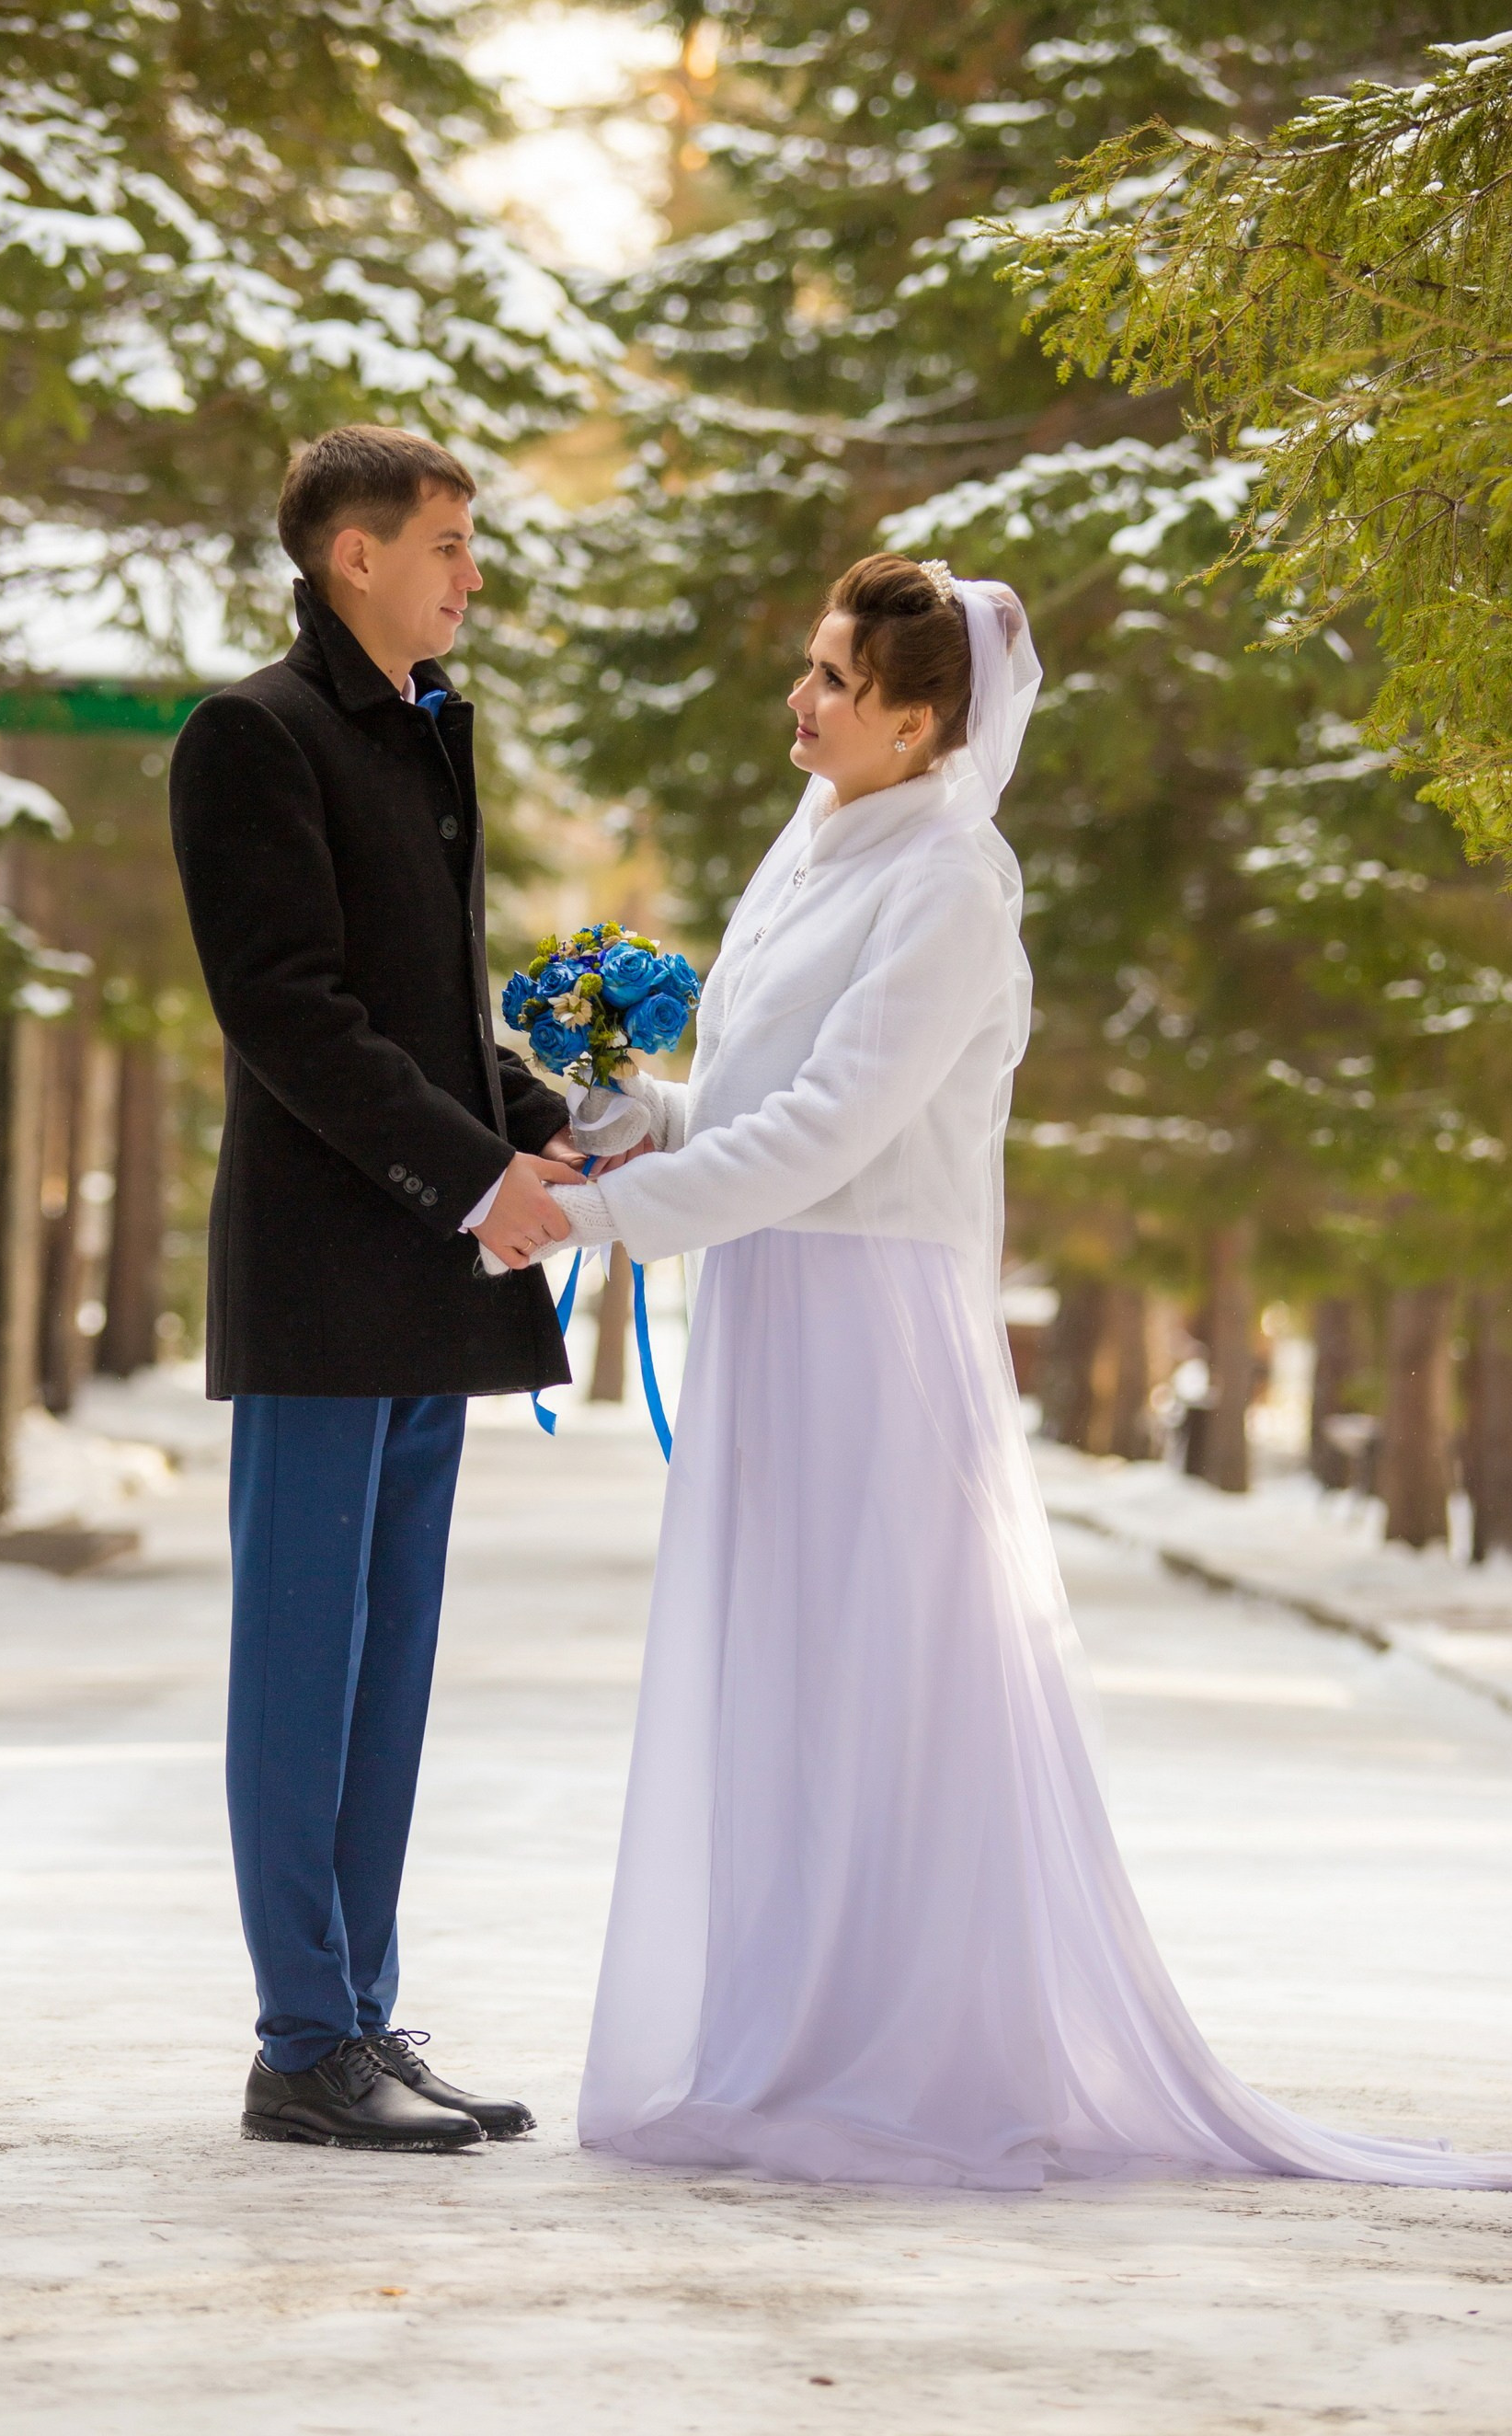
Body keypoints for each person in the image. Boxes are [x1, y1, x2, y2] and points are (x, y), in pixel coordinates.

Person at [534, 552, 1512, 2191]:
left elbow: (845, 1131)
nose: (807, 696)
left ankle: (911, 2047)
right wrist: (633, 1125)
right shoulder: (822, 847)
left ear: (922, 724)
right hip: (781, 1301)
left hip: (869, 1324)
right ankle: (785, 2021)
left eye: (839, 682)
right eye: (816, 666)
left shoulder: (950, 882)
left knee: (883, 1666)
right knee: (786, 1662)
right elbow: (761, 1103)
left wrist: (622, 1217)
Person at [169, 424, 588, 2154]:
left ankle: (358, 2017)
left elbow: (416, 1011)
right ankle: (297, 2040)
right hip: (326, 1278)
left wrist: (544, 1120)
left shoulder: (422, 734)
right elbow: (289, 1013)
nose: (469, 574)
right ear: (354, 557)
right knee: (302, 1665)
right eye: (446, 546)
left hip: (422, 1278)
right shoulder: (249, 738)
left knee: (390, 1663)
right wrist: (473, 1173)